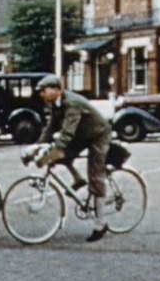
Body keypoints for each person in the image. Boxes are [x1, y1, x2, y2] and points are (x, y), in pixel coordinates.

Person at [35, 74, 112, 242]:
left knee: (95, 175)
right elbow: (51, 127)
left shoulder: (71, 104)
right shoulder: (56, 104)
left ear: (56, 90)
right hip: (82, 135)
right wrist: (38, 145)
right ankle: (78, 179)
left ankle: (101, 224)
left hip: (98, 135)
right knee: (61, 157)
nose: (41, 94)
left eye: (44, 90)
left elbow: (67, 133)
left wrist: (51, 153)